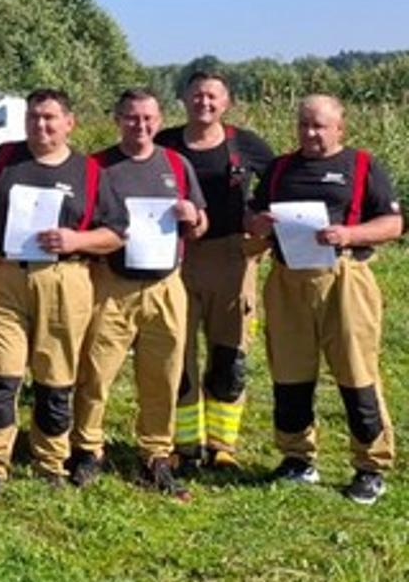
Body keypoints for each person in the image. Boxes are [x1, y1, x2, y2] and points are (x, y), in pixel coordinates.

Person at [248, 95, 401, 505]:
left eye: (319, 126)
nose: (310, 133)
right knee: (289, 371)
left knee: (356, 371)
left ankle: (370, 466)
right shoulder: (280, 168)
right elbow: (253, 215)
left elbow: (393, 223)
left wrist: (351, 234)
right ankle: (297, 458)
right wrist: (257, 223)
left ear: (339, 128)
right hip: (288, 278)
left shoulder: (362, 166)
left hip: (344, 277)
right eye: (304, 125)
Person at [0, 90, 121, 501]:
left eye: (50, 118)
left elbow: (116, 233)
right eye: (34, 117)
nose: (41, 125)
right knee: (1, 373)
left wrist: (77, 239)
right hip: (2, 277)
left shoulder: (89, 172)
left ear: (69, 122)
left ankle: (50, 461)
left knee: (56, 376)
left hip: (64, 278)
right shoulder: (1, 161)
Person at [70, 88, 207, 501]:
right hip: (112, 284)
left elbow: (199, 227)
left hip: (166, 285)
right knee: (96, 371)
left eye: (148, 118)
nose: (140, 126)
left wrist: (193, 216)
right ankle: (87, 449)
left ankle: (156, 455)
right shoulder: (97, 166)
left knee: (163, 374)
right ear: (117, 120)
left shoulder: (176, 164)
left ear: (159, 121)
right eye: (131, 118)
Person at [155, 70, 275, 471]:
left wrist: (259, 218)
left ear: (227, 103)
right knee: (177, 352)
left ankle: (223, 446)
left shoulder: (246, 145)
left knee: (229, 355)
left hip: (232, 258)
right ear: (183, 99)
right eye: (196, 95)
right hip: (176, 257)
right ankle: (185, 443)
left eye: (212, 96)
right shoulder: (165, 143)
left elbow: (280, 185)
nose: (203, 103)